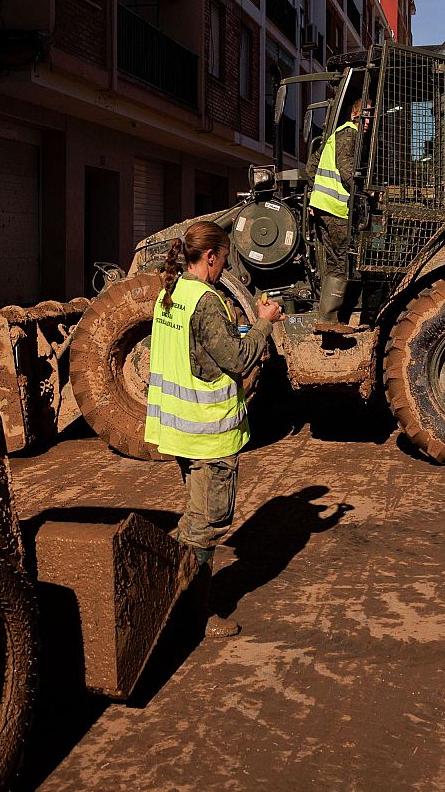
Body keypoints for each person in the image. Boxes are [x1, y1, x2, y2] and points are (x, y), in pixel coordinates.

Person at [146, 221, 284, 636]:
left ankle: (175, 601)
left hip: (180, 431)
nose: (225, 267)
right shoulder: (207, 302)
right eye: (224, 259)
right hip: (209, 435)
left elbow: (198, 353)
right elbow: (239, 360)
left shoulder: (170, 295)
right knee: (205, 526)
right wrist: (263, 323)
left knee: (194, 516)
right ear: (210, 257)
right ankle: (190, 614)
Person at [308, 96, 366, 333]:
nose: (370, 122)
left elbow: (312, 165)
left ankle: (330, 318)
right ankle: (330, 320)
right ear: (356, 115)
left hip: (326, 207)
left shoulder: (336, 135)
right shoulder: (350, 134)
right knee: (342, 260)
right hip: (335, 209)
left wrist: (316, 196)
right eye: (368, 116)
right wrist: (367, 193)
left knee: (335, 261)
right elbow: (346, 170)